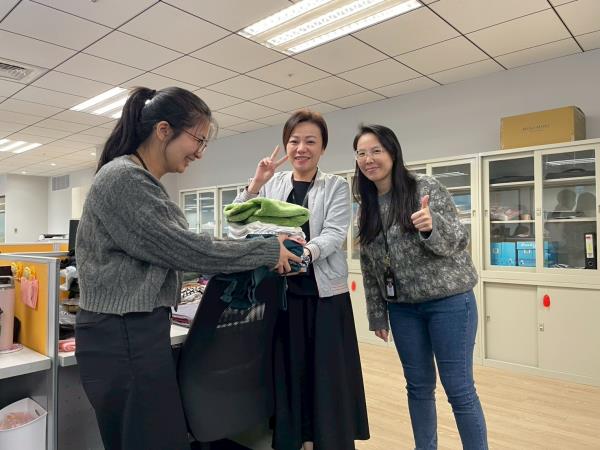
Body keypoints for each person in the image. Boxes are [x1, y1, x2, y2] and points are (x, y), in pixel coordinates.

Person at [75, 86, 301, 450]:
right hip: (123, 334)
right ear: (163, 130)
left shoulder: (141, 181)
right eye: (197, 139)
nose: (199, 152)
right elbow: (186, 249)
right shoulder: (124, 179)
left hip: (132, 331)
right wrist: (265, 250)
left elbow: (179, 247)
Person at [235, 109, 369, 450]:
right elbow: (237, 224)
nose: (301, 148)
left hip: (324, 295)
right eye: (294, 141)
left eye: (311, 141)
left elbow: (335, 233)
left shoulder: (335, 185)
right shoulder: (273, 184)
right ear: (286, 145)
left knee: (325, 373)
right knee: (290, 370)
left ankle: (325, 440)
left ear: (323, 148)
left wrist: (303, 255)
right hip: (281, 295)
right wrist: (256, 183)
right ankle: (297, 438)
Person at [352, 124, 488, 450]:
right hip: (403, 310)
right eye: (361, 153)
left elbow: (459, 240)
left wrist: (431, 227)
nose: (369, 159)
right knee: (418, 387)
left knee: (459, 389)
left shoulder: (424, 188)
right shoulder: (367, 206)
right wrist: (377, 315)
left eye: (376, 151)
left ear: (393, 153)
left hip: (449, 303)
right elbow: (370, 268)